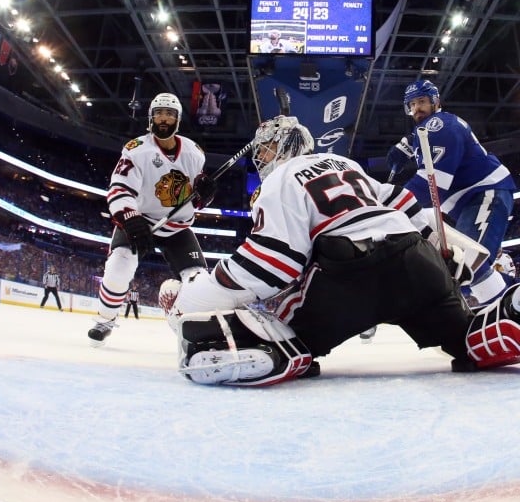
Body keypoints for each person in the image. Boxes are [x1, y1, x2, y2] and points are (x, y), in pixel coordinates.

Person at [162, 115, 520, 387]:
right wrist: (447, 250)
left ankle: (279, 349)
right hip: (416, 261)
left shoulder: (278, 182)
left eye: (265, 149)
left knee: (286, 331)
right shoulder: (347, 165)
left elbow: (273, 264)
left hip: (350, 274)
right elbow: (407, 206)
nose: (262, 157)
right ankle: (507, 317)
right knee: (464, 338)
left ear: (280, 148)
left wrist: (206, 292)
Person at [88, 92, 217, 344]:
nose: (164, 119)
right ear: (150, 118)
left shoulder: (194, 152)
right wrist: (130, 218)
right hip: (141, 220)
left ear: (177, 120)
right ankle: (105, 320)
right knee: (119, 265)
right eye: (159, 113)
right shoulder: (136, 150)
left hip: (177, 227)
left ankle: (199, 330)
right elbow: (119, 189)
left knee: (198, 280)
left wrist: (205, 193)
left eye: (169, 114)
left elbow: (196, 196)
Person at [388, 80, 516, 306]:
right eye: (412, 104)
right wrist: (407, 145)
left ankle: (509, 314)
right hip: (470, 200)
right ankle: (506, 307)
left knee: (469, 263)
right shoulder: (428, 128)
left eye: (422, 102)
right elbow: (423, 146)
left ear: (436, 102)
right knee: (463, 268)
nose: (417, 108)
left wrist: (393, 205)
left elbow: (432, 182)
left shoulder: (438, 125)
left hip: (483, 193)